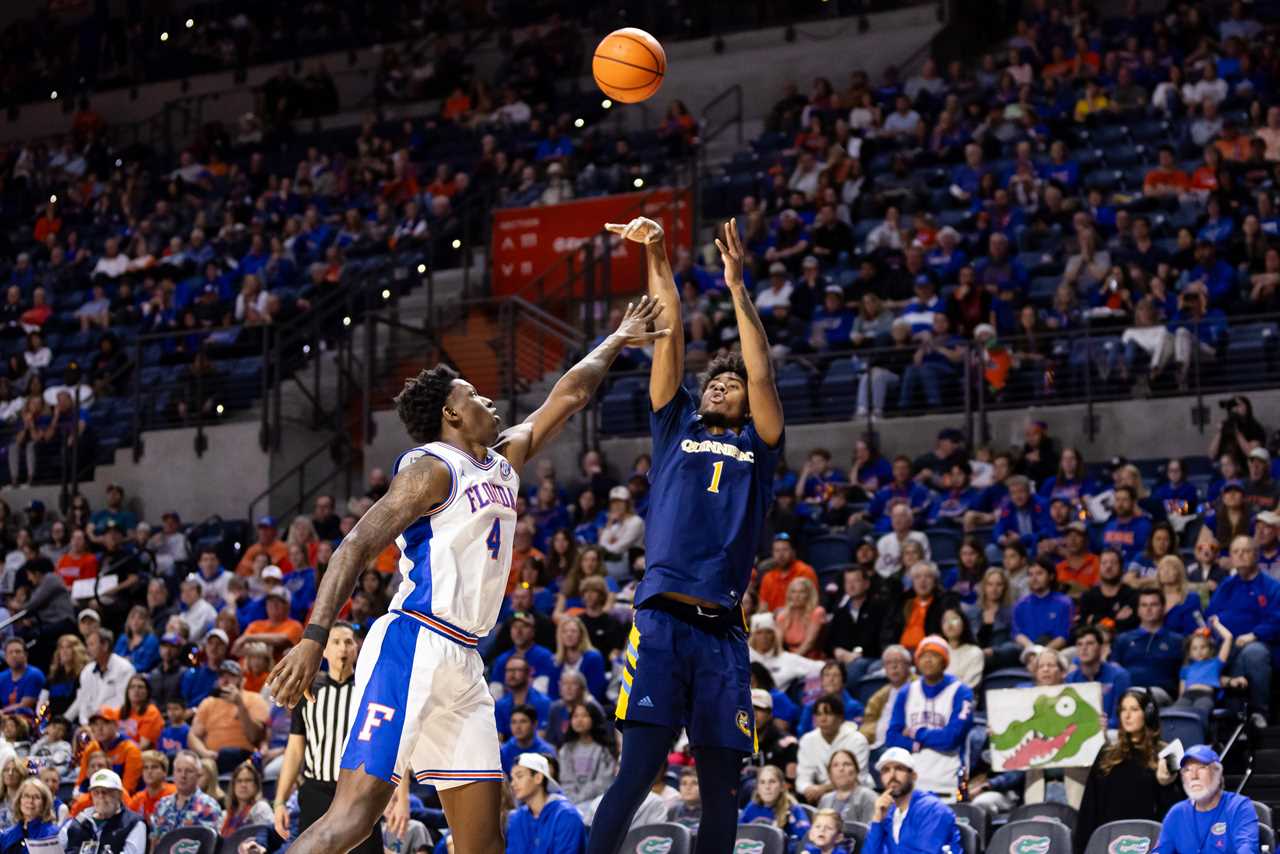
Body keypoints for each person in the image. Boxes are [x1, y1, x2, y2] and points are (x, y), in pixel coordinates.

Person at [266, 297, 664, 854]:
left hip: (465, 660)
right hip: (413, 643)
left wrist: (619, 336)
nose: (487, 400)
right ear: (451, 415)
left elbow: (570, 393)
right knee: (353, 818)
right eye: (472, 396)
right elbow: (353, 546)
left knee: (484, 842)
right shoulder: (431, 468)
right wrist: (312, 638)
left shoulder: (504, 460)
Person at [588, 217, 784, 854]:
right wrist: (657, 250)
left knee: (722, 784)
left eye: (730, 384)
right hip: (664, 621)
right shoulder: (674, 424)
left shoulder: (760, 443)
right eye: (715, 382)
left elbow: (762, 374)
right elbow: (667, 323)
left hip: (723, 630)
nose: (721, 385)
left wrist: (736, 286)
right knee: (638, 772)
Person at [273, 622, 386, 854]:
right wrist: (280, 801)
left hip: (360, 793)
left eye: (348, 642)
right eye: (335, 642)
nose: (342, 648)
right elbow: (295, 750)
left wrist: (399, 796)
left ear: (357, 648)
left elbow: (387, 745)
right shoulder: (307, 690)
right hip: (316, 791)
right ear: (323, 651)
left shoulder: (370, 690)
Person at [1076, 690, 1181, 852]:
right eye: (1123, 710)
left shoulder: (1167, 753)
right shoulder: (1107, 753)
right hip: (1109, 842)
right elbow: (1090, 807)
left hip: (1150, 842)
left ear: (1148, 714)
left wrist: (1165, 783)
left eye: (1134, 709)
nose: (1127, 715)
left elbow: (1177, 809)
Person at [884, 636, 974, 797]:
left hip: (951, 781)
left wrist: (915, 733)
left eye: (934, 655)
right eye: (923, 656)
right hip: (912, 782)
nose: (928, 660)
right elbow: (892, 737)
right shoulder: (906, 692)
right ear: (917, 662)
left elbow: (951, 738)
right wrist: (916, 746)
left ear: (944, 661)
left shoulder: (961, 692)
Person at [1204, 535, 1279, 725]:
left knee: (1253, 653)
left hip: (1260, 643)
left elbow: (1276, 619)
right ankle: (1207, 713)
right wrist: (1219, 634)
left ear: (1256, 554)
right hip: (1226, 644)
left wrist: (1253, 635)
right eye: (1236, 552)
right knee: (1200, 653)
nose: (1241, 555)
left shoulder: (1271, 587)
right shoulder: (1226, 586)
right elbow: (1211, 616)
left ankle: (1259, 712)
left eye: (1246, 551)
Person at [1154, 745, 1259, 853]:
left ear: (1217, 772)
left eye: (1202, 768)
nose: (1194, 776)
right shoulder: (1176, 813)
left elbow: (1247, 848)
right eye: (1187, 770)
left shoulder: (1239, 807)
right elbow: (1159, 851)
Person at [863, 748, 963, 853]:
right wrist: (877, 821)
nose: (892, 775)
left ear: (913, 776)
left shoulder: (934, 809)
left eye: (899, 768)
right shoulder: (888, 814)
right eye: (886, 770)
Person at [189, 660, 270, 772]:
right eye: (222, 675)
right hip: (213, 758)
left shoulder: (254, 699)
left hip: (244, 757)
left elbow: (254, 736)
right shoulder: (208, 702)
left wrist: (240, 705)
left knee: (227, 754)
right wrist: (205, 753)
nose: (225, 680)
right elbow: (193, 735)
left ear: (241, 680)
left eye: (231, 675)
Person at [506, 753, 587, 854]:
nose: (513, 784)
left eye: (519, 776)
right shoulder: (516, 819)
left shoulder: (567, 816)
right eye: (512, 778)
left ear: (538, 778)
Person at [797, 693, 872, 802]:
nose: (822, 719)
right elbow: (802, 779)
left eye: (828, 714)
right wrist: (809, 789)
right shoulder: (807, 740)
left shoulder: (857, 740)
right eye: (818, 714)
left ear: (840, 717)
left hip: (857, 795)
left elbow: (858, 779)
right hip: (819, 797)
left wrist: (823, 789)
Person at [59, 770, 147, 854]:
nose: (101, 796)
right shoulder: (78, 821)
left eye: (106, 792)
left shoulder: (134, 823)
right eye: (96, 792)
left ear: (120, 795)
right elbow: (55, 848)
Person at [1173, 616, 1236, 729]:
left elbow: (1228, 638)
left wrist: (1216, 624)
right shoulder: (1186, 668)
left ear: (1210, 648)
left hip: (1205, 695)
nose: (1199, 651)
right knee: (1176, 714)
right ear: (1190, 652)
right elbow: (1181, 692)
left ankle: (1199, 740)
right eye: (1195, 648)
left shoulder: (1215, 663)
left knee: (1199, 715)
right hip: (1187, 696)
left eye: (1203, 647)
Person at [1065, 625, 1132, 729]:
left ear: (1101, 648)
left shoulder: (1119, 676)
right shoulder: (1071, 679)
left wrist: (1106, 725)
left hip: (1112, 733)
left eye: (1090, 643)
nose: (1084, 648)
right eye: (1079, 644)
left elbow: (1122, 714)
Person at [65, 627, 134, 725]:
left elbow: (123, 703)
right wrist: (85, 724)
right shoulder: (87, 671)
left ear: (105, 646)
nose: (87, 649)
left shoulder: (125, 669)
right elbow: (83, 703)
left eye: (91, 645)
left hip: (115, 724)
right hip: (90, 726)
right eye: (87, 645)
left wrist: (99, 720)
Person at [149, 750, 224, 841]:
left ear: (198, 775)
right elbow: (154, 842)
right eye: (179, 770)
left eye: (189, 771)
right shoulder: (162, 805)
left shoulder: (208, 807)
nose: (183, 775)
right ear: (173, 774)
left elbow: (211, 845)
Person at [556, 702, 617, 806]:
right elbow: (566, 782)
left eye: (584, 715)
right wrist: (572, 802)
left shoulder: (604, 749)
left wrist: (580, 798)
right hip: (570, 802)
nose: (579, 720)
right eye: (575, 716)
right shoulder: (566, 749)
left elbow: (604, 782)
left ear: (594, 719)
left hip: (597, 802)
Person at [739, 764, 812, 849]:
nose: (767, 787)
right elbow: (739, 833)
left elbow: (808, 839)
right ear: (757, 788)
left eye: (772, 781)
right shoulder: (752, 807)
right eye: (762, 782)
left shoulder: (793, 808)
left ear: (782, 786)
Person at [1012, 561, 1074, 650]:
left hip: (1053, 651)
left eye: (1039, 573)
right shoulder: (1020, 604)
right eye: (1030, 574)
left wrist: (1043, 654)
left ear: (1051, 576)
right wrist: (1031, 649)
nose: (1034, 578)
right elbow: (1017, 633)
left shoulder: (1064, 603)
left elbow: (1064, 636)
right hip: (1027, 651)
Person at [816, 749, 876, 825]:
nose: (841, 769)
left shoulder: (868, 797)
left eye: (847, 764)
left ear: (856, 770)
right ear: (829, 774)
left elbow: (870, 831)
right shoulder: (825, 800)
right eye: (835, 765)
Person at [0, 777, 58, 854]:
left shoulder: (52, 834)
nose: (30, 801)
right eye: (26, 796)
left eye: (36, 797)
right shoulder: (6, 835)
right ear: (19, 800)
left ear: (44, 803)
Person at [222, 759, 273, 837]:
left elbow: (266, 837)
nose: (243, 785)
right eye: (239, 781)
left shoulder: (261, 808)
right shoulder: (225, 815)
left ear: (256, 785)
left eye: (248, 780)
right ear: (233, 786)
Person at [0, 636, 43, 713]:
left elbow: (25, 706)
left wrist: (2, 712)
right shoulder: (2, 676)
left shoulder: (34, 674)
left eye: (18, 651)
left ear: (25, 655)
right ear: (5, 657)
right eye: (10, 652)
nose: (14, 655)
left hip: (28, 720)